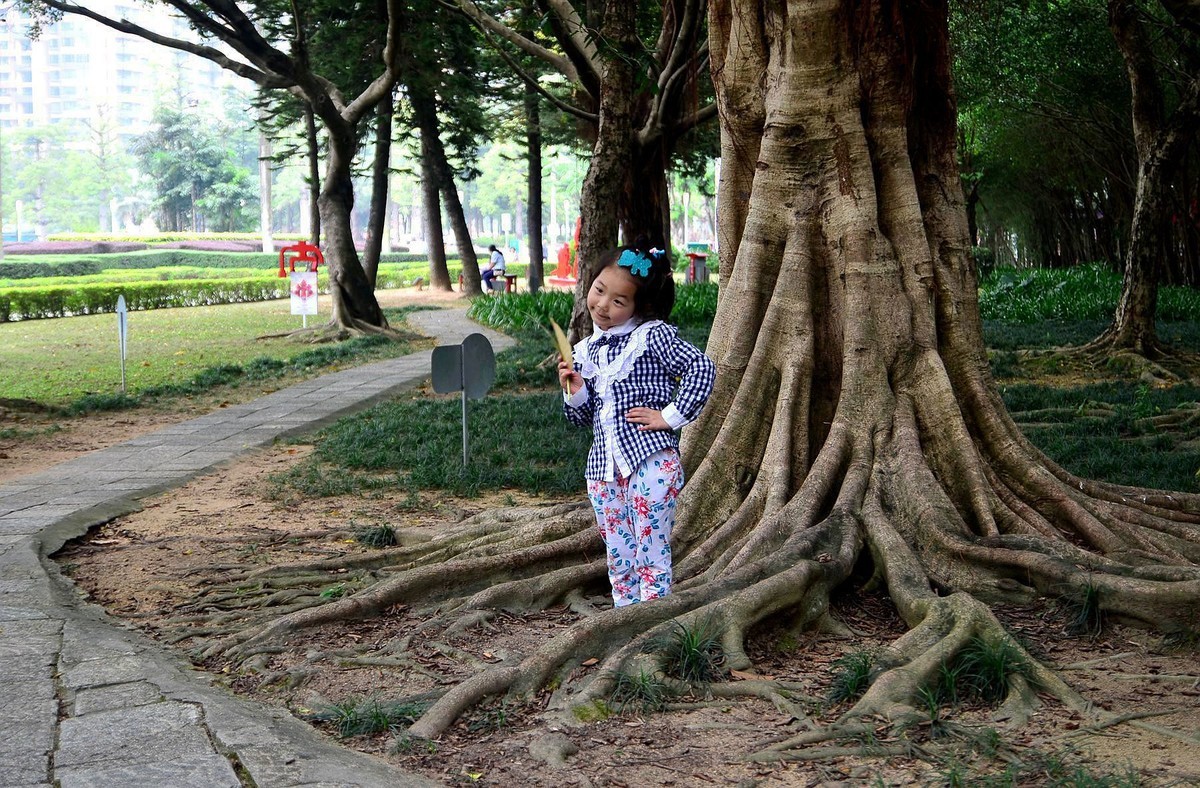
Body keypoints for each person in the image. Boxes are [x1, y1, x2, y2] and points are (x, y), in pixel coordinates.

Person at [557, 241, 716, 607]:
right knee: (618, 555)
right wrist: (576, 390)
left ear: (637, 306)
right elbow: (581, 418)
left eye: (618, 301)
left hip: (650, 461)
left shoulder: (651, 336)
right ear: (590, 282)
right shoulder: (585, 351)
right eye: (599, 291)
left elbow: (701, 368)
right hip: (603, 470)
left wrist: (669, 417)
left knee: (651, 551)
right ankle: (624, 619)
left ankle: (652, 623)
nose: (603, 305)